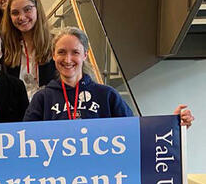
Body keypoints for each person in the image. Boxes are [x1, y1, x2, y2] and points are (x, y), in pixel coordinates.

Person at [23, 26, 195, 127]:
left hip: (100, 180)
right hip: (57, 181)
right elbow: (24, 142)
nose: (67, 59)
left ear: (85, 55)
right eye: (61, 52)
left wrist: (173, 123)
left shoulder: (107, 95)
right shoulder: (42, 98)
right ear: (53, 55)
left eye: (75, 52)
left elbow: (136, 131)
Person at [2, 0, 57, 100]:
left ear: (37, 9)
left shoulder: (55, 44)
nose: (21, 17)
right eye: (15, 13)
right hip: (18, 113)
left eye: (27, 10)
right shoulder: (5, 48)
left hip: (48, 112)